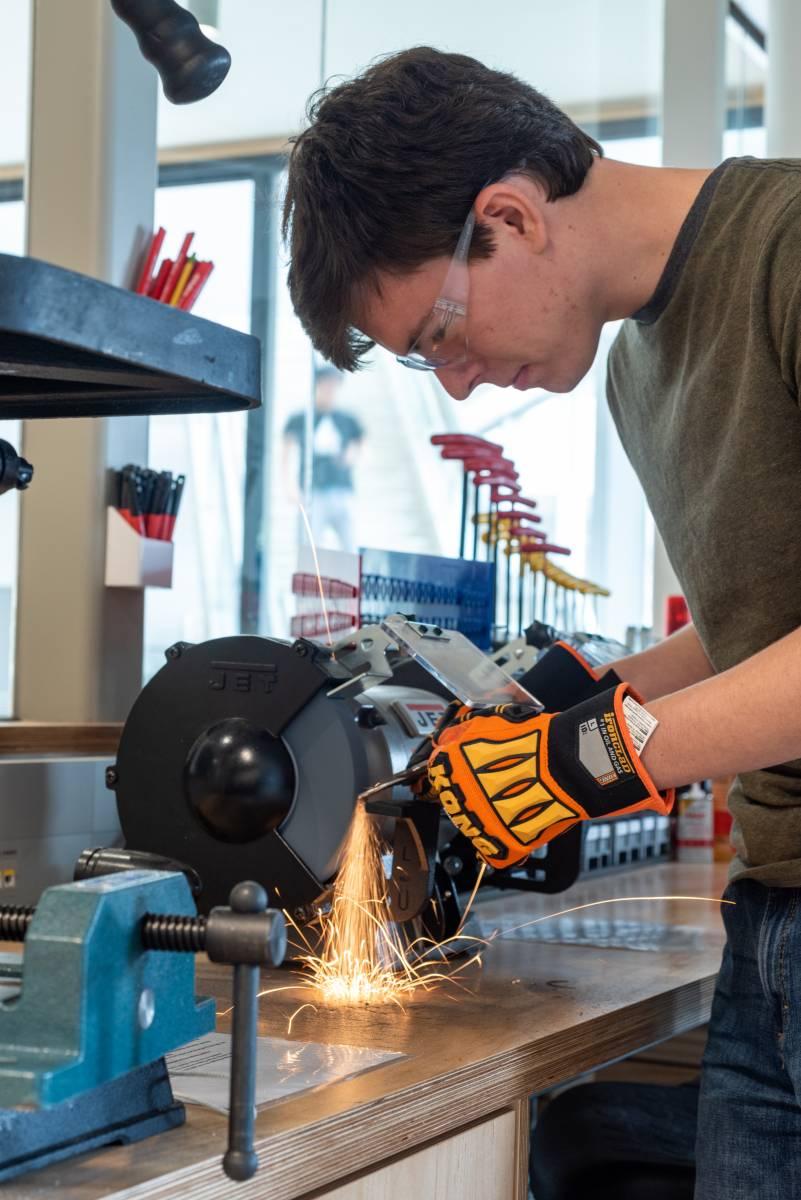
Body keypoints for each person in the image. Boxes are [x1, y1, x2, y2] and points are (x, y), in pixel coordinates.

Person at [283, 46, 801, 1197]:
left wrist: (591, 757)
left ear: (509, 217)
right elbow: (763, 620)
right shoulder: (638, 374)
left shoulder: (788, 252)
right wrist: (573, 696)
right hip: (772, 927)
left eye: (440, 335)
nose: (458, 384)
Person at [282, 365, 364, 552]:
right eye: (326, 384)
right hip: (314, 492)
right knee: (311, 546)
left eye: (333, 385)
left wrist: (353, 453)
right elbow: (285, 453)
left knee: (350, 547)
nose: (330, 390)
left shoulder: (347, 419)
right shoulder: (300, 418)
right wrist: (290, 486)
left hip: (342, 491)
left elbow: (360, 442)